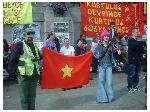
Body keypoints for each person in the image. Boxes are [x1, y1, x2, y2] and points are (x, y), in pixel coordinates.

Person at [7, 28, 42, 110]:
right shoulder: (19, 45)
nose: (30, 38)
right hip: (24, 77)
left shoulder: (35, 45)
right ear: (24, 35)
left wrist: (39, 56)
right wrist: (14, 73)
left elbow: (39, 56)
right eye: (28, 36)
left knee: (32, 98)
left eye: (32, 37)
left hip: (34, 76)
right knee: (24, 99)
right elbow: (12, 59)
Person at [94, 31, 116, 103]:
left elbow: (113, 55)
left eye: (107, 36)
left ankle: (110, 98)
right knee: (101, 82)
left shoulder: (110, 45)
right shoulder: (99, 45)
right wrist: (100, 53)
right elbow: (96, 56)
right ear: (102, 37)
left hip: (109, 65)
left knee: (109, 82)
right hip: (101, 66)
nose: (106, 37)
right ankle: (103, 98)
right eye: (105, 36)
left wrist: (115, 64)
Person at [127, 28, 146, 93]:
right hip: (132, 60)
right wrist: (143, 43)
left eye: (138, 31)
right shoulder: (130, 40)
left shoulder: (137, 41)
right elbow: (133, 46)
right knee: (131, 74)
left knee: (137, 74)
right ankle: (130, 87)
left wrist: (141, 46)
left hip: (138, 60)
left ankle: (135, 86)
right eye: (137, 32)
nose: (138, 33)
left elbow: (142, 50)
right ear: (133, 33)